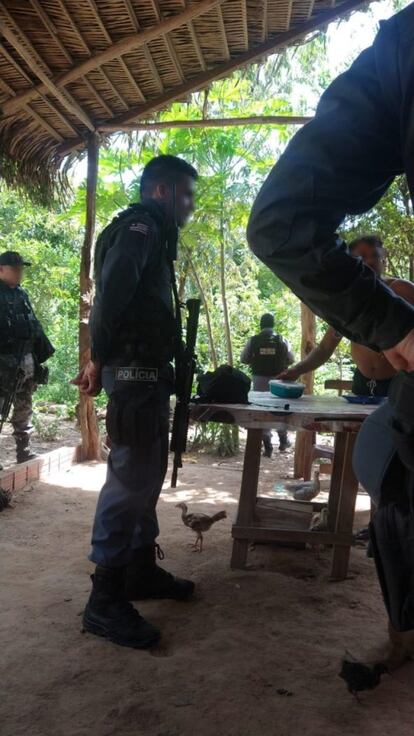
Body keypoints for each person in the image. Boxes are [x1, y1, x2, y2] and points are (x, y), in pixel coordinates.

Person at [247, 1, 414, 667]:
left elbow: (371, 360)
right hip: (364, 389)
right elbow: (342, 354)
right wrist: (298, 373)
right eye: (361, 264)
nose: (365, 269)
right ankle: (403, 629)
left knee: (384, 460)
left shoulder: (394, 295)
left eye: (369, 265)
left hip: (377, 392)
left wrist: (382, 331)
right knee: (386, 467)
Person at [73, 155, 198, 650]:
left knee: (145, 477)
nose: (189, 204)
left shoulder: (155, 235)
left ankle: (139, 571)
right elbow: (110, 299)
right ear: (162, 191)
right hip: (135, 376)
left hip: (149, 378)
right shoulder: (141, 229)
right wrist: (98, 359)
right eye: (185, 194)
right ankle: (103, 600)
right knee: (129, 481)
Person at [279, 236, 414, 397]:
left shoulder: (402, 289)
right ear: (351, 265)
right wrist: (296, 370)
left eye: (375, 255)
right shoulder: (349, 299)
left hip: (399, 383)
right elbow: (325, 348)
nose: (370, 261)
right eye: (361, 257)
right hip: (362, 385)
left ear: (383, 259)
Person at [0, 251, 54, 466]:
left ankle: (24, 451)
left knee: (24, 404)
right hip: (3, 362)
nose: (20, 273)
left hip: (25, 360)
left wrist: (39, 356)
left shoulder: (22, 295)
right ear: (2, 269)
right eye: (16, 269)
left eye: (21, 269)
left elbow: (34, 326)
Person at [240, 312, 294, 454]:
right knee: (280, 408)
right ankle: (283, 440)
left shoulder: (253, 340)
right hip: (279, 380)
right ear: (273, 324)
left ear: (261, 325)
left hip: (259, 380)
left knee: (262, 409)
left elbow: (243, 359)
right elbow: (291, 359)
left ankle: (268, 446)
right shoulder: (283, 340)